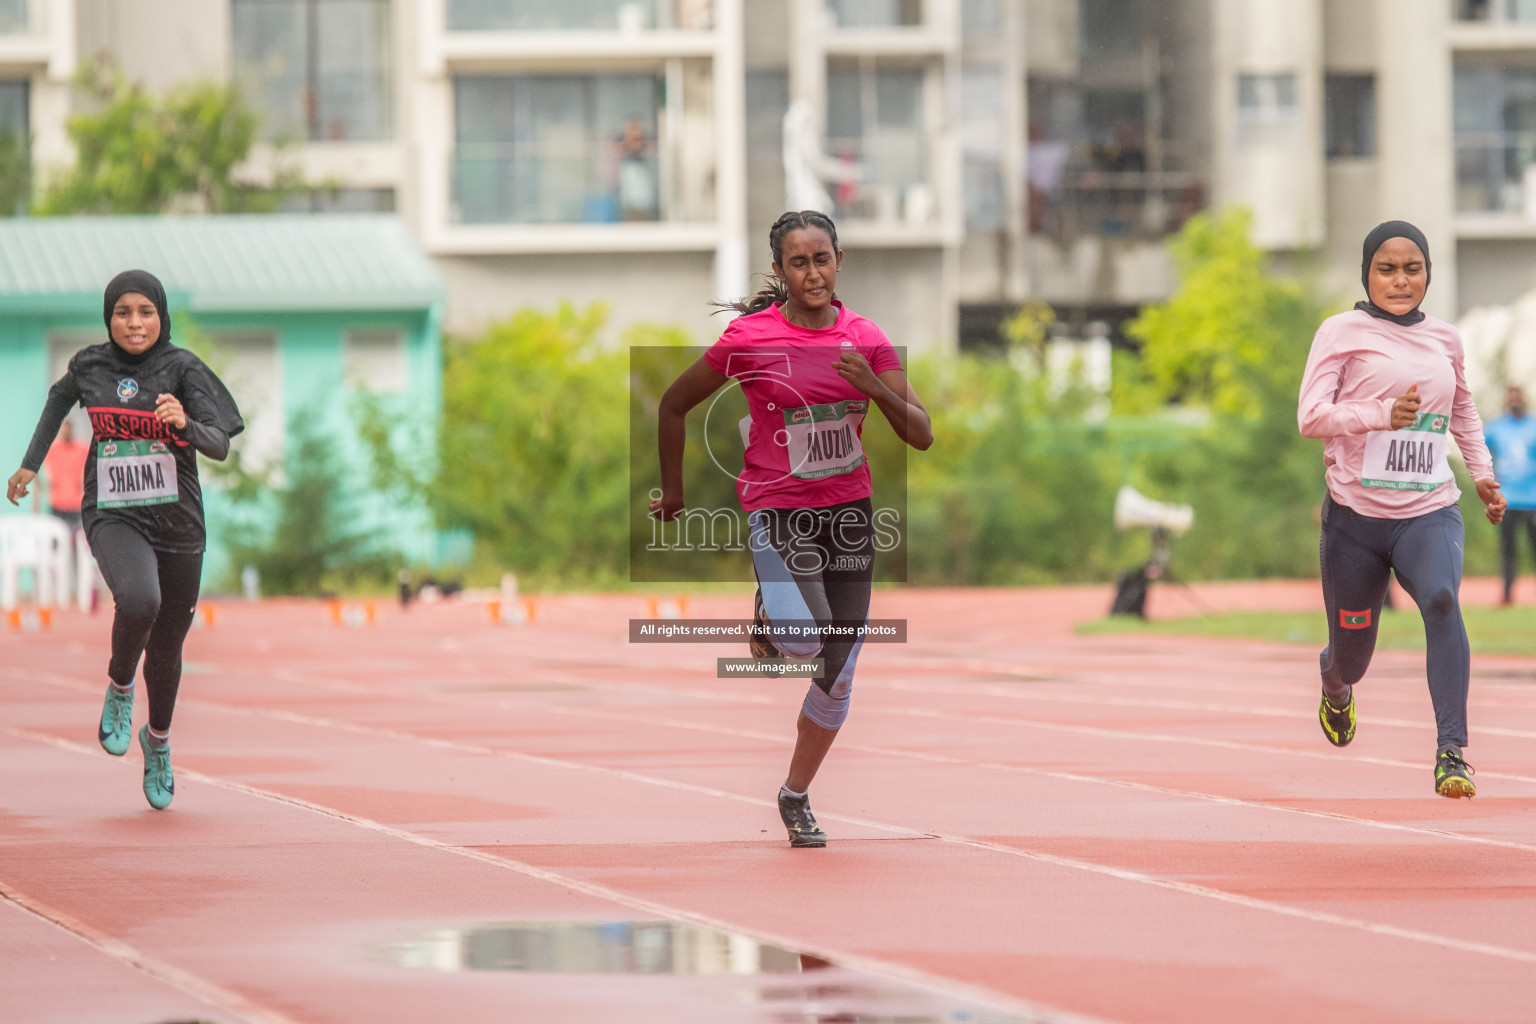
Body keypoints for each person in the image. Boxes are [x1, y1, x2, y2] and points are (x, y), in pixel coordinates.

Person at [651, 210, 932, 846]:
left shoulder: (867, 338)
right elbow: (673, 404)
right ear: (779, 271)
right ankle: (771, 619)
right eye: (799, 262)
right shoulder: (749, 338)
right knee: (803, 645)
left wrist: (872, 387)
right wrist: (674, 492)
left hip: (849, 515)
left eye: (823, 259)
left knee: (838, 677)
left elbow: (922, 434)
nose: (814, 273)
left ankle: (795, 795)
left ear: (839, 261)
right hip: (777, 509)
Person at [7, 270, 243, 810]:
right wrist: (29, 466)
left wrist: (183, 422)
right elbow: (57, 400)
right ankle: (119, 687)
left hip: (179, 523)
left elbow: (220, 444)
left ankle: (157, 740)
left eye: (145, 312)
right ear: (108, 317)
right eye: (122, 312)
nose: (134, 323)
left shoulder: (182, 368)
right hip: (114, 512)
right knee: (140, 601)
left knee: (167, 647)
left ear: (161, 316)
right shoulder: (91, 365)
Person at [1298, 221, 1505, 798]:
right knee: (1352, 656)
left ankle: (1452, 752)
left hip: (1428, 508)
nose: (1399, 280)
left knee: (1442, 599)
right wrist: (1379, 413)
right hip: (1355, 521)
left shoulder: (1445, 338)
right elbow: (1310, 417)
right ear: (1367, 272)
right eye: (1386, 268)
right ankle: (1335, 683)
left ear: (1428, 274)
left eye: (1412, 268)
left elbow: (1462, 409)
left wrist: (1483, 475)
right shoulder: (1340, 332)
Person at [1483, 385, 1536, 605]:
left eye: (1518, 397)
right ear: (1507, 400)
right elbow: (1478, 450)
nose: (1515, 400)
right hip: (1506, 499)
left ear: (1523, 399)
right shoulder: (1496, 428)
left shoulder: (1533, 425)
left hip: (1532, 500)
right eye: (1511, 397)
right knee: (1508, 551)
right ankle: (1507, 596)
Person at [42, 418, 88, 532]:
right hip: (57, 502)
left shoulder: (82, 449)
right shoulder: (52, 449)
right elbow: (44, 471)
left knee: (75, 536)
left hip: (75, 503)